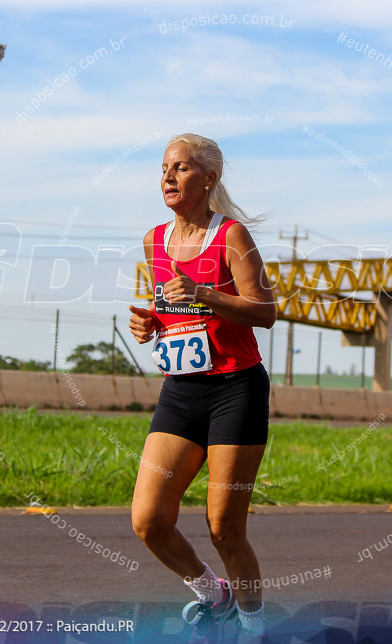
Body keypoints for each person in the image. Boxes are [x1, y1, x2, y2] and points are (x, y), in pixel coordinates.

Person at [128, 133, 276, 640]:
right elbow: (167, 309)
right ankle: (215, 593)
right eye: (165, 167)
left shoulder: (230, 236)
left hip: (236, 388)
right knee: (148, 519)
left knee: (224, 527)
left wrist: (206, 294)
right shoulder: (153, 240)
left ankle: (256, 627)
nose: (168, 176)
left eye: (182, 167)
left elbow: (266, 312)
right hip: (182, 389)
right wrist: (150, 323)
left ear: (209, 178)